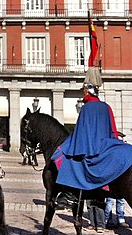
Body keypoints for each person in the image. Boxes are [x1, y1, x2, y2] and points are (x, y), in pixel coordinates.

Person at [54, 67, 132, 209]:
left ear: (88, 89)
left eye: (84, 88)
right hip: (107, 145)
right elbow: (112, 131)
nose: (82, 91)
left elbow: (80, 134)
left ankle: (69, 196)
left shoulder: (86, 108)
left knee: (66, 159)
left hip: (92, 147)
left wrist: (64, 146)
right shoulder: (106, 107)